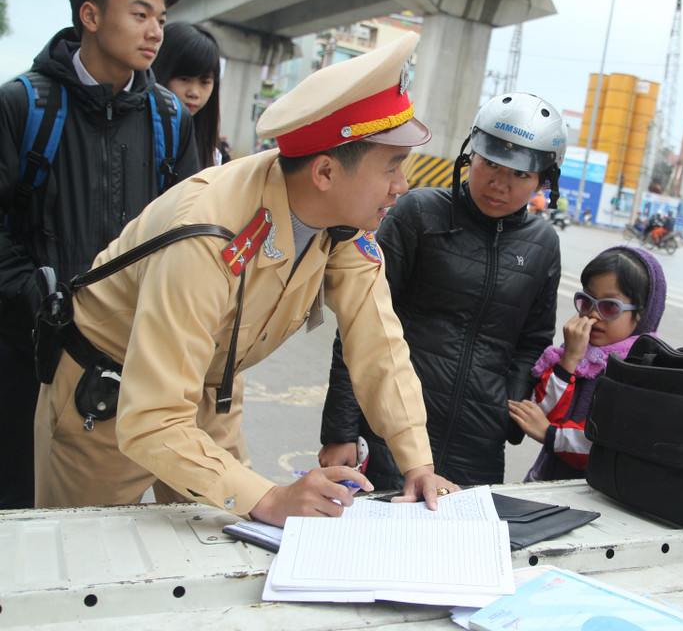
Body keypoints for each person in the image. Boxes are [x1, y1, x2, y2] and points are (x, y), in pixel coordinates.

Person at [33, 32, 456, 526]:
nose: (403, 187)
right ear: (324, 172)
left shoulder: (342, 225)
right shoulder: (207, 234)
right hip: (106, 401)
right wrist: (271, 498)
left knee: (233, 552)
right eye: (392, 167)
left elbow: (379, 343)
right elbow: (152, 418)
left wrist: (417, 462)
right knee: (88, 569)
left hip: (210, 394)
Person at [0, 0, 200, 510]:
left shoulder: (171, 118)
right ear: (90, 15)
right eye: (139, 15)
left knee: (112, 520)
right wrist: (37, 302)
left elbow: (193, 233)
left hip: (133, 358)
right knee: (23, 507)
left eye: (161, 18)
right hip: (31, 357)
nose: (156, 31)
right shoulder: (24, 105)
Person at [318, 92, 567, 490]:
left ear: (544, 180)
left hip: (478, 446)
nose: (499, 184)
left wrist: (505, 410)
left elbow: (532, 341)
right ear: (472, 156)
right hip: (389, 433)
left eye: (520, 175)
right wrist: (340, 430)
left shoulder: (542, 245)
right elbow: (362, 326)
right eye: (490, 163)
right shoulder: (418, 214)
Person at [509, 246, 667, 481]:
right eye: (587, 302)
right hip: (544, 484)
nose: (594, 314)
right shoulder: (573, 352)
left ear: (642, 314)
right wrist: (569, 359)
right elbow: (539, 413)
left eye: (610, 306)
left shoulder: (643, 371)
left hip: (595, 497)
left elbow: (610, 445)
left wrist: (551, 435)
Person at [152, 21, 222, 168]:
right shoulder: (138, 135)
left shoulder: (213, 154)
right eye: (184, 79)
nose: (194, 93)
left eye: (205, 82)